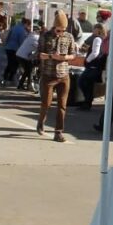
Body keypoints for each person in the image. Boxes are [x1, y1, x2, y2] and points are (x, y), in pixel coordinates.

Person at [37, 12, 78, 143]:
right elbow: (39, 54)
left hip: (64, 75)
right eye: (59, 29)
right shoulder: (45, 36)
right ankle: (41, 122)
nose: (61, 32)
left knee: (62, 105)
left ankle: (58, 132)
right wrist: (50, 56)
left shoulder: (69, 37)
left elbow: (73, 55)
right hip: (48, 74)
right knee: (46, 103)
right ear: (54, 27)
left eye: (63, 30)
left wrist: (65, 57)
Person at [76, 23, 107, 110]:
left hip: (93, 66)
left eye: (94, 29)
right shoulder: (103, 39)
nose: (93, 31)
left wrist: (87, 60)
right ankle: (87, 102)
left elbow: (95, 53)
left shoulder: (97, 39)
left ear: (98, 30)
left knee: (82, 82)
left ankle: (87, 101)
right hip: (98, 66)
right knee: (87, 84)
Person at [2, 17, 30, 85]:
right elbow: (22, 42)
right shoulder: (22, 30)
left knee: (9, 63)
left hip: (8, 47)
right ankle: (10, 79)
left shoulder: (14, 27)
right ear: (26, 24)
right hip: (15, 49)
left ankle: (5, 78)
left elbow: (8, 36)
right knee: (15, 65)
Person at [16, 23, 41, 91]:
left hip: (20, 55)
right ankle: (28, 85)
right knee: (29, 70)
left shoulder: (31, 36)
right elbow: (39, 48)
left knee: (28, 70)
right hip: (23, 56)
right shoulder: (36, 38)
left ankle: (22, 85)